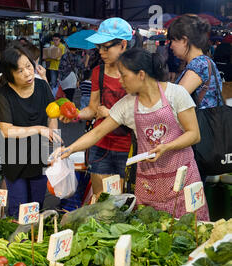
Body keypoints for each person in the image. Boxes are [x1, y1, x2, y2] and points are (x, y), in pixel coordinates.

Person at [53, 48, 209, 220]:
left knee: (189, 228)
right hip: (149, 181)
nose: (120, 81)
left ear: (141, 74)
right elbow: (97, 132)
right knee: (151, 230)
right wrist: (70, 149)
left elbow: (194, 134)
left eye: (124, 75)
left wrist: (167, 147)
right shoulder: (126, 104)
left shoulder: (176, 94)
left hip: (182, 175)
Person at [60, 17, 134, 199]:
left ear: (123, 45)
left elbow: (144, 112)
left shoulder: (137, 74)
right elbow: (93, 109)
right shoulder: (98, 72)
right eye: (98, 47)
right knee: (101, 201)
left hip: (128, 148)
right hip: (100, 146)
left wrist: (112, 114)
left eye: (105, 47)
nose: (100, 52)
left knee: (123, 202)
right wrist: (76, 114)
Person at [0, 45, 61, 218]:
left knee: (36, 207)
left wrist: (53, 134)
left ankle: (32, 242)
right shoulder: (4, 94)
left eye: (29, 66)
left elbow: (52, 114)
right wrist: (39, 129)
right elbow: (6, 130)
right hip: (15, 160)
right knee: (19, 209)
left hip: (39, 158)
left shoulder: (42, 86)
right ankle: (19, 240)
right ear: (10, 75)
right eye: (19, 70)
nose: (27, 73)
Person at [168, 14, 224, 181]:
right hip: (205, 139)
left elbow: (174, 100)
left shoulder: (198, 65)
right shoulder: (204, 62)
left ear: (185, 40)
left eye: (173, 40)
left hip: (197, 142)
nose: (170, 46)